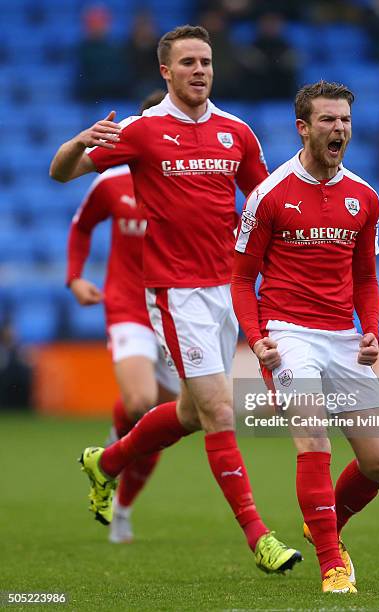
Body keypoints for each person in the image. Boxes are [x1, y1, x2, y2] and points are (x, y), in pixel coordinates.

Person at [50, 25, 302, 574]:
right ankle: (259, 537)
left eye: (206, 61)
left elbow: (265, 205)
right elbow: (61, 173)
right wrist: (77, 143)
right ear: (166, 71)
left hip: (225, 292)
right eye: (187, 62)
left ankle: (105, 461)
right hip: (174, 293)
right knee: (217, 410)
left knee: (190, 413)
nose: (200, 70)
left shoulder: (237, 132)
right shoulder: (142, 131)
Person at [231, 80, 379, 594]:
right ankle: (332, 566)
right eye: (327, 120)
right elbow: (241, 278)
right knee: (313, 437)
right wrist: (257, 339)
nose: (339, 129)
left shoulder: (364, 197)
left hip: (342, 336)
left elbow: (366, 278)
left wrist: (370, 330)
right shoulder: (270, 195)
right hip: (287, 334)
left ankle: (324, 523)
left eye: (345, 119)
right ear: (303, 127)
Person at [67, 90, 180, 544]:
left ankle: (124, 507)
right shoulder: (111, 182)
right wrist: (75, 277)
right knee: (141, 405)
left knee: (171, 422)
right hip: (128, 304)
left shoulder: (193, 183)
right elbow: (81, 226)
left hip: (179, 308)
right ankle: (116, 442)